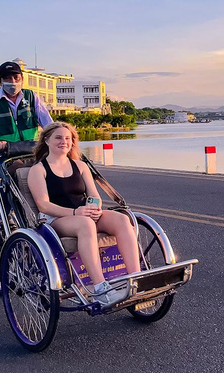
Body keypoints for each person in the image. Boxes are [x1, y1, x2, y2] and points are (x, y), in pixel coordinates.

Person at [27, 122, 140, 305]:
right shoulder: (38, 170)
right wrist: (76, 212)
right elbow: (43, 205)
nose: (63, 141)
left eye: (68, 138)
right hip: (57, 219)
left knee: (122, 219)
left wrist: (94, 208)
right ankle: (100, 287)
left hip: (84, 213)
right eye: (58, 137)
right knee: (85, 224)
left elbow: (94, 196)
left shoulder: (80, 166)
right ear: (47, 140)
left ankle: (135, 277)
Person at [0, 61, 53, 158]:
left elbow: (48, 123)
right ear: (0, 81)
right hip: (3, 154)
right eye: (7, 78)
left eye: (16, 78)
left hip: (32, 152)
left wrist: (56, 136)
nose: (12, 81)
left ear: (22, 79)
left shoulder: (31, 97)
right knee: (17, 169)